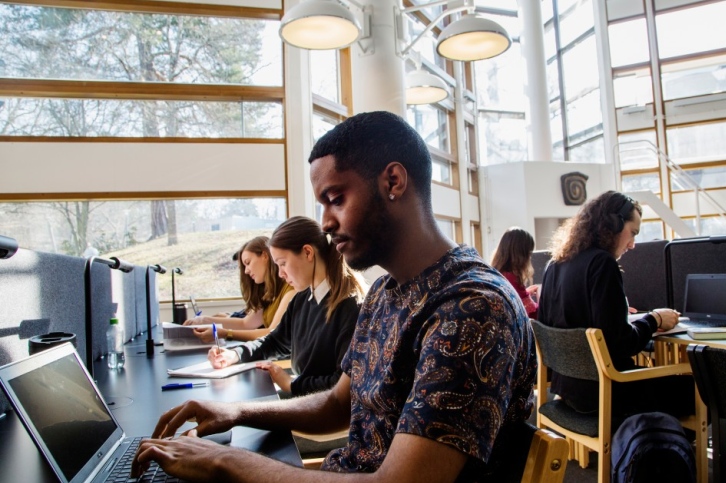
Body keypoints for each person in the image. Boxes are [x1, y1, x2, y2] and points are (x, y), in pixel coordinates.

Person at [132, 111, 536, 482]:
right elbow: (337, 402)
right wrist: (237, 412)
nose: (325, 222)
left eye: (336, 199)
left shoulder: (473, 307)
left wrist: (223, 460)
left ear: (393, 182)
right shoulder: (383, 294)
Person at [537, 190, 695, 422]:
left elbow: (552, 325)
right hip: (610, 388)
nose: (632, 245)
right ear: (612, 225)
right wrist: (655, 319)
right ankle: (662, 450)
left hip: (568, 390)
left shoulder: (555, 264)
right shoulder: (602, 263)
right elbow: (621, 343)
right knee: (696, 388)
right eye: (632, 233)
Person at [208, 216, 364, 397]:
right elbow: (274, 341)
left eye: (283, 264)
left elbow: (341, 383)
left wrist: (291, 384)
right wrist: (234, 354)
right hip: (305, 396)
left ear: (307, 253)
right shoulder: (302, 299)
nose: (281, 274)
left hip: (324, 408)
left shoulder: (351, 307)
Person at [183, 236, 296, 344]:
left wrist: (226, 333)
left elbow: (272, 333)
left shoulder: (290, 290)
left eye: (248, 263)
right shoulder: (269, 292)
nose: (246, 271)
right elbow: (245, 323)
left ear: (265, 256)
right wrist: (203, 320)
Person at [491, 227, 539, 319]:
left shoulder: (497, 273)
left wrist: (526, 293)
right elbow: (533, 313)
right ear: (522, 255)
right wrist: (540, 296)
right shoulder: (512, 278)